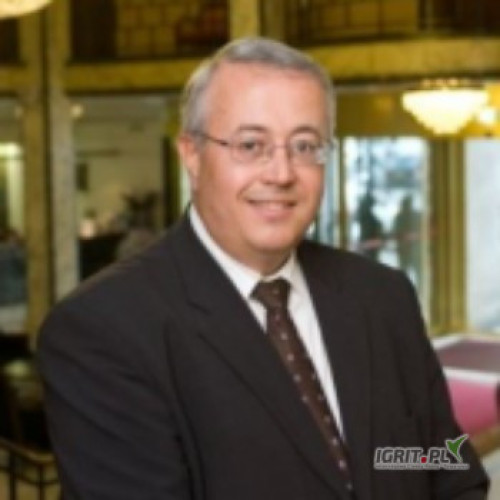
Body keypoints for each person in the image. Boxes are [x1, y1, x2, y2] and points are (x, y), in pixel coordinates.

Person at [37, 37, 488, 500]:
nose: (281, 173)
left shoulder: (383, 296)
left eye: (305, 146)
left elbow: (446, 468)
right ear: (191, 154)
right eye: (251, 145)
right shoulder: (103, 331)